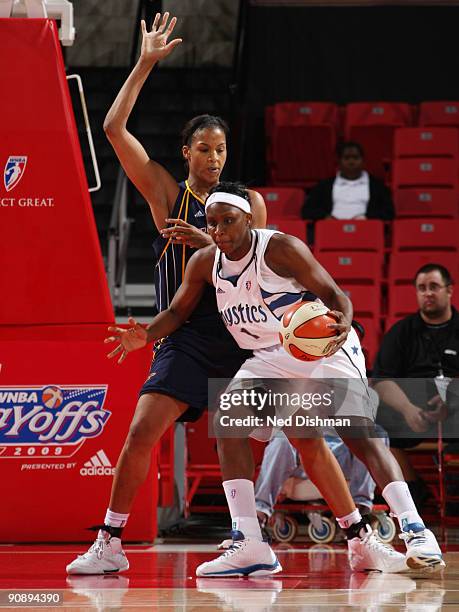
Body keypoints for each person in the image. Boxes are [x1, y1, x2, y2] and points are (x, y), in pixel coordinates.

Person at [106, 181, 417, 576]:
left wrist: (343, 325)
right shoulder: (204, 261)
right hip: (272, 359)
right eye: (213, 223)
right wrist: (146, 335)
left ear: (249, 219)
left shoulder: (280, 249)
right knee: (237, 424)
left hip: (314, 354)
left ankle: (384, 533)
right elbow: (177, 312)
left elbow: (335, 294)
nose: (219, 231)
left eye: (228, 222)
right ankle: (252, 540)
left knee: (342, 437)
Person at [66, 12, 268, 575]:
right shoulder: (166, 194)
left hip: (238, 328)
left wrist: (207, 238)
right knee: (140, 432)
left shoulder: (248, 203)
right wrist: (145, 62)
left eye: (221, 148)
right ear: (187, 154)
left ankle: (247, 540)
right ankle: (110, 542)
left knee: (235, 436)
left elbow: (252, 260)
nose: (214, 158)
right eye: (204, 149)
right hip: (181, 331)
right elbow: (112, 129)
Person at [373, 264, 459, 506]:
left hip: (455, 409)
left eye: (434, 287)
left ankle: (453, 490)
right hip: (413, 409)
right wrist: (408, 409)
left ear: (449, 290)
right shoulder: (401, 332)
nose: (427, 293)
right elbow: (382, 380)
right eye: (421, 288)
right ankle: (414, 492)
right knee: (375, 422)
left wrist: (451, 398)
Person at [254, 429, 389, 526]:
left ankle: (360, 508)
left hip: (342, 451)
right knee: (282, 437)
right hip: (304, 454)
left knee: (375, 433)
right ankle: (260, 511)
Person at [303, 141, 394, 221]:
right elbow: (307, 211)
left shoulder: (378, 186)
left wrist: (367, 218)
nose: (351, 162)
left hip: (366, 230)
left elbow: (389, 212)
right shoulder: (324, 186)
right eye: (346, 158)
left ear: (363, 161)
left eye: (355, 158)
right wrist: (325, 217)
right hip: (331, 230)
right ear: (339, 161)